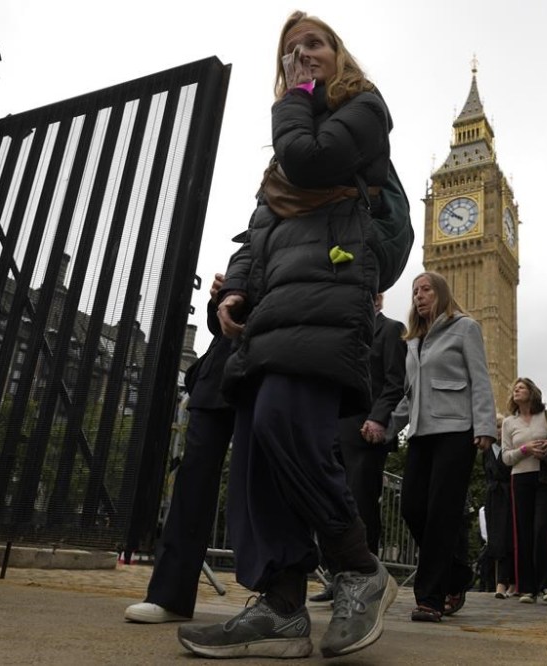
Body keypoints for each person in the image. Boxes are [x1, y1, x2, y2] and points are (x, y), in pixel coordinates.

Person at [177, 12, 398, 660]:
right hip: (273, 300)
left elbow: (311, 161)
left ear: (338, 53)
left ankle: (357, 567)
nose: (302, 54)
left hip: (327, 289)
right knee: (256, 451)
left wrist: (294, 99)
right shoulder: (290, 134)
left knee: (286, 425)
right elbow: (259, 223)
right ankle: (280, 604)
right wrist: (238, 287)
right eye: (291, 50)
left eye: (315, 43)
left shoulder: (362, 107)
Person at [124, 274, 235, 624]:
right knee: (192, 484)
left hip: (275, 367)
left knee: (269, 484)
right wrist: (219, 301)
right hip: (219, 376)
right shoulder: (249, 242)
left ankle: (282, 598)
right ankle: (169, 595)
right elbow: (219, 327)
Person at [390, 271, 497, 622]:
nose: (419, 296)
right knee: (412, 509)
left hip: (456, 431)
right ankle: (458, 572)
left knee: (441, 513)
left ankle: (430, 598)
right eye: (415, 291)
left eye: (426, 290)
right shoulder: (413, 341)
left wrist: (484, 426)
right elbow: (410, 396)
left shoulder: (465, 327)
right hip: (422, 433)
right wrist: (386, 427)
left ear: (441, 293)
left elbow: (480, 379)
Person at [309, 293, 406, 603]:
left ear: (378, 300)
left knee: (361, 504)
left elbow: (395, 382)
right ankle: (335, 575)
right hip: (332, 426)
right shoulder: (345, 331)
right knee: (328, 501)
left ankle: (363, 577)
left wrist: (378, 419)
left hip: (366, 430)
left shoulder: (391, 330)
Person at [500, 378, 547, 604]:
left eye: (521, 387)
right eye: (514, 389)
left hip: (545, 476)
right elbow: (506, 457)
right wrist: (525, 449)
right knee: (522, 532)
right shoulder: (509, 423)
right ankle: (526, 589)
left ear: (532, 392)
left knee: (542, 529)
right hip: (520, 478)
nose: (516, 391)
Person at [481, 414, 514, 599]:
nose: (498, 430)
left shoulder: (511, 448)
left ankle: (507, 582)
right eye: (496, 427)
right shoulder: (487, 450)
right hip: (494, 497)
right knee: (496, 539)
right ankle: (501, 582)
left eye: (501, 426)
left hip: (509, 496)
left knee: (509, 538)